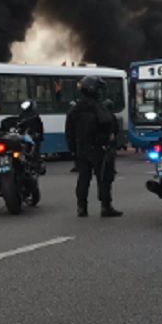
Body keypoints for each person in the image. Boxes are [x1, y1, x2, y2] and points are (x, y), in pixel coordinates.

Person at [65, 76, 122, 218]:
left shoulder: (75, 109)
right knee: (104, 177)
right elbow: (110, 125)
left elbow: (69, 132)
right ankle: (105, 206)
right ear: (94, 90)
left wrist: (73, 150)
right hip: (98, 148)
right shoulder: (99, 108)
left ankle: (81, 207)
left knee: (83, 177)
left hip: (81, 149)